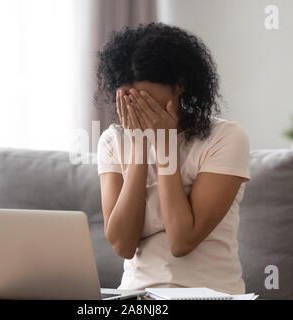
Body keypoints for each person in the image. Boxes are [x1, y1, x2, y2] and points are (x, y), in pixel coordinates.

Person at [94, 22, 250, 294]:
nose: (141, 112)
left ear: (180, 84)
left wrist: (164, 145)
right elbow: (123, 245)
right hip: (137, 297)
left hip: (210, 293)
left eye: (149, 103)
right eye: (130, 102)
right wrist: (140, 145)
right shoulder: (112, 141)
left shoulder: (226, 138)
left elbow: (182, 241)